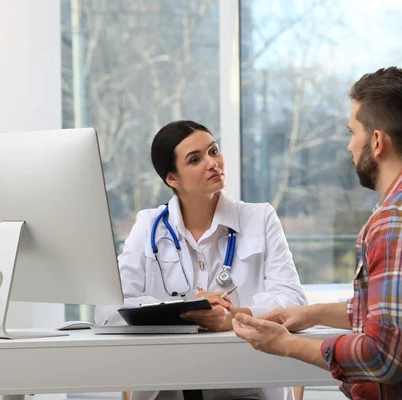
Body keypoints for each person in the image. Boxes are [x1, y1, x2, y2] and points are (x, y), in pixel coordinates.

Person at [232, 67, 402, 400]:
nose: (349, 147)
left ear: (377, 141)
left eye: (352, 132)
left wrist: (284, 345)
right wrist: (310, 314)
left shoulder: (399, 219)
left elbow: (383, 358)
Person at [95, 120, 307, 400]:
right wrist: (184, 310)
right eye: (195, 159)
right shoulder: (149, 225)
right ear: (173, 179)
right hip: (168, 391)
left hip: (247, 387)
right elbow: (108, 309)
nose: (212, 163)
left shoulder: (260, 218)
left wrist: (236, 317)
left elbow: (294, 300)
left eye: (214, 151)